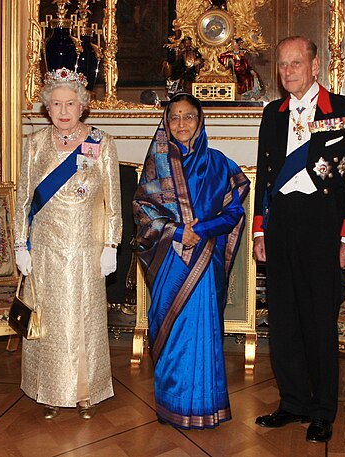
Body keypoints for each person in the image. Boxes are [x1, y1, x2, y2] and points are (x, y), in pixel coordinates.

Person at [252, 36, 345, 443]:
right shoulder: (272, 114)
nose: (288, 72)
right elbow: (265, 179)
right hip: (281, 225)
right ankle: (292, 402)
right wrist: (259, 232)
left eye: (296, 63)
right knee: (283, 319)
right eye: (282, 65)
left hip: (325, 227)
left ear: (315, 64)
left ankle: (322, 409)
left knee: (319, 322)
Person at [133, 93, 250, 429]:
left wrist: (203, 228)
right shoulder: (157, 165)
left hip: (206, 258)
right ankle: (172, 405)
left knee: (204, 332)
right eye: (174, 118)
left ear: (200, 122)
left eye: (188, 117)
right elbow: (142, 211)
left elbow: (234, 209)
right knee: (172, 331)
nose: (181, 124)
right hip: (170, 258)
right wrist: (176, 231)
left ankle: (205, 405)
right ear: (165, 124)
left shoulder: (219, 163)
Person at [14, 68, 122, 420]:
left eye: (70, 103)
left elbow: (112, 200)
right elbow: (23, 199)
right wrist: (20, 245)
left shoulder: (101, 144)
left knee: (84, 320)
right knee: (50, 322)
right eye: (56, 104)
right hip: (45, 249)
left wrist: (111, 245)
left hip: (87, 249)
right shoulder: (34, 145)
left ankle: (84, 392)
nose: (63, 110)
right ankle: (49, 389)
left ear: (82, 106)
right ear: (47, 107)